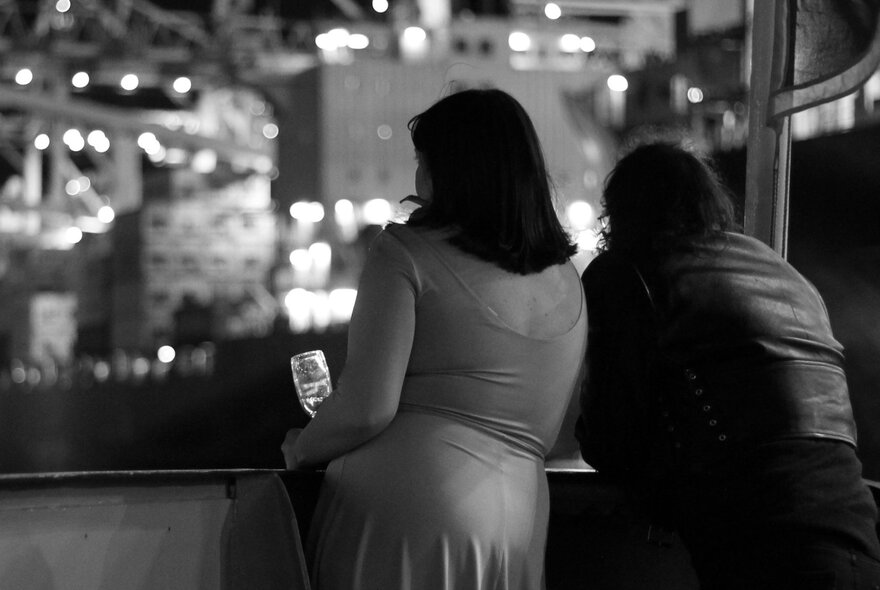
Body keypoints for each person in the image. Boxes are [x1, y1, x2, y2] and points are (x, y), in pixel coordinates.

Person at [282, 88, 587, 590]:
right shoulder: (566, 278)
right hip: (521, 519)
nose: (417, 176)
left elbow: (366, 407)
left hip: (406, 511)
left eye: (423, 161)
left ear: (450, 170)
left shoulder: (404, 252)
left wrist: (305, 447)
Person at [576, 140, 880, 589]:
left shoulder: (630, 273)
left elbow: (609, 434)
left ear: (621, 213)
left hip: (761, 544)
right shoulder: (782, 272)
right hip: (857, 534)